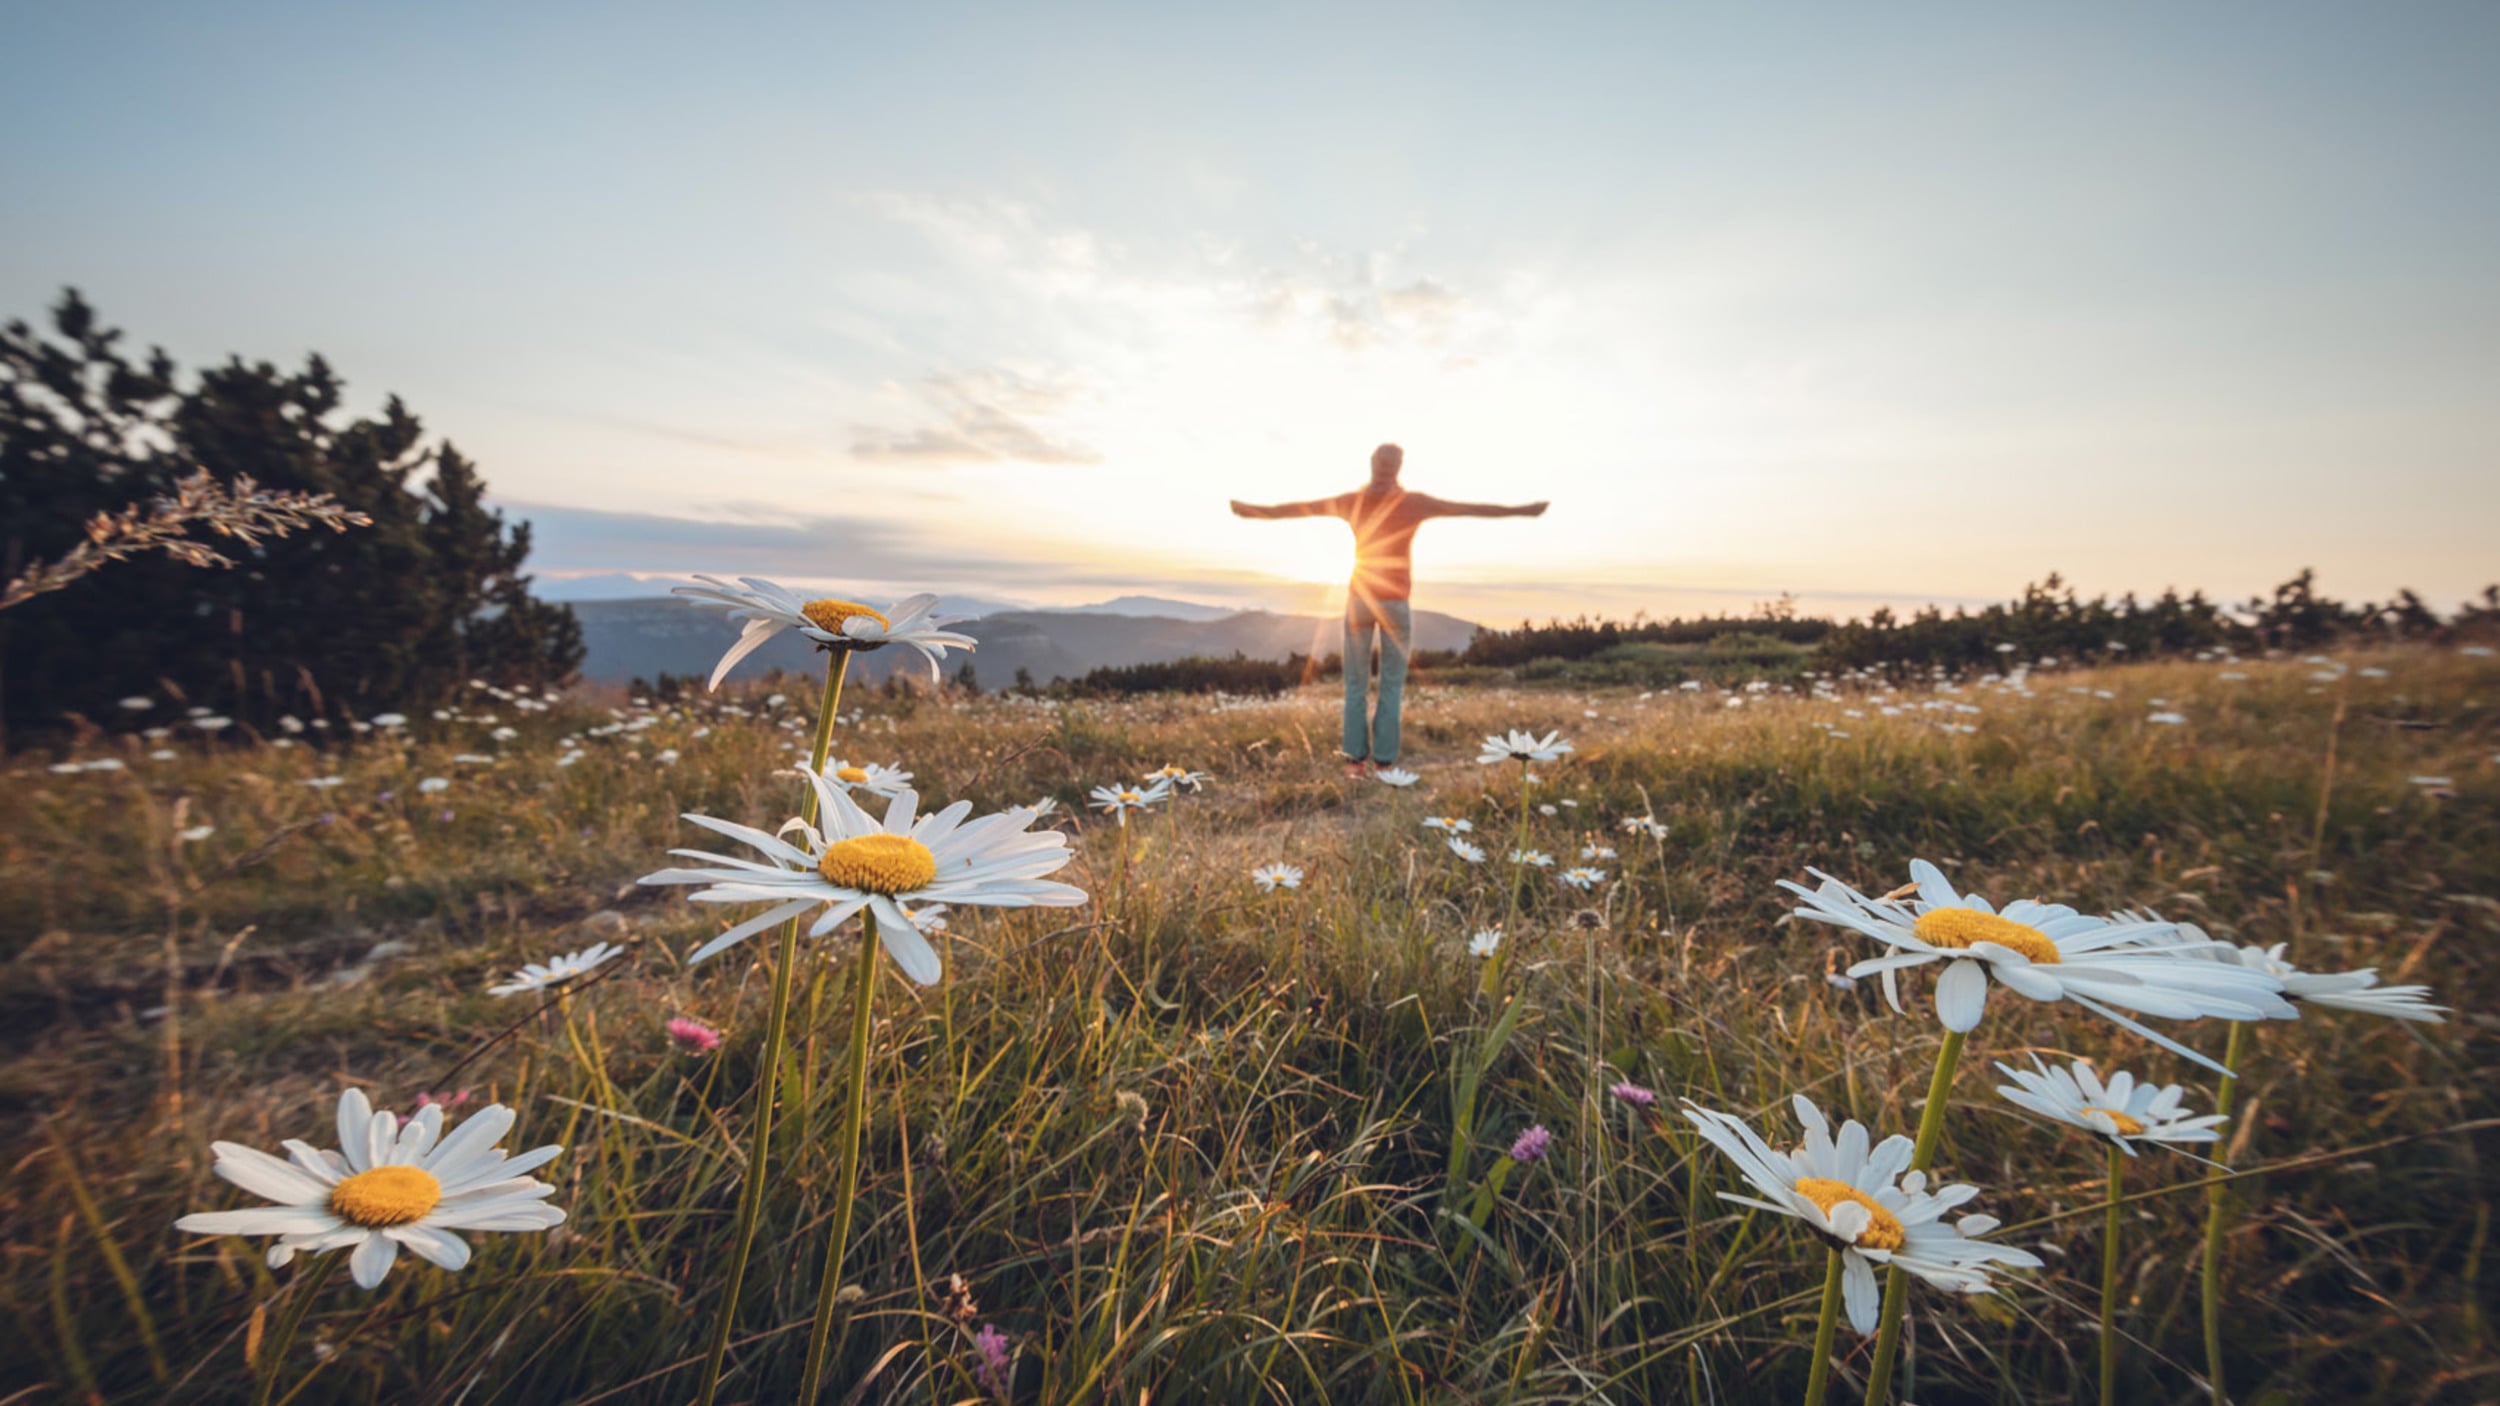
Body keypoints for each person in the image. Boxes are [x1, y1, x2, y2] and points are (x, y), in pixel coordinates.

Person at [1232, 443, 1547, 776]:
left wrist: (1251, 510)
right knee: (1391, 685)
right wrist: (1524, 510)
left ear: (1372, 463)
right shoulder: (1414, 503)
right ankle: (1384, 764)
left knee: (1355, 684)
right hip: (1395, 602)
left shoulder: (1353, 501)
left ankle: (1355, 763)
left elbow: (1299, 509)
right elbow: (1471, 509)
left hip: (1359, 600)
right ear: (1399, 466)